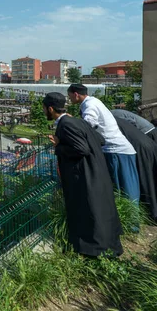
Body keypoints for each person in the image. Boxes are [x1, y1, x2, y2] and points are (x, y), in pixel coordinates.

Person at [43, 92, 123, 257]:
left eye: (44, 109)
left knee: (89, 212)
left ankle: (93, 251)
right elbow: (100, 140)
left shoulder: (66, 124)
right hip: (97, 172)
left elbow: (81, 149)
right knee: (100, 212)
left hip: (85, 177)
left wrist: (59, 146)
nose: (44, 112)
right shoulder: (77, 121)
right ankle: (109, 248)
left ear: (50, 109)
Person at [67, 84, 140, 203]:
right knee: (128, 188)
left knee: (123, 191)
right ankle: (132, 218)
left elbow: (89, 123)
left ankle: (130, 219)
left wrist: (72, 123)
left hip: (115, 150)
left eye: (70, 97)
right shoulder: (94, 101)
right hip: (121, 150)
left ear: (76, 94)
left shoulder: (89, 105)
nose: (70, 99)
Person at [113, 116, 157, 221]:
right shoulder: (116, 116)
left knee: (147, 180)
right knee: (152, 178)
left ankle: (152, 214)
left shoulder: (110, 119)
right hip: (148, 143)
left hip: (140, 148)